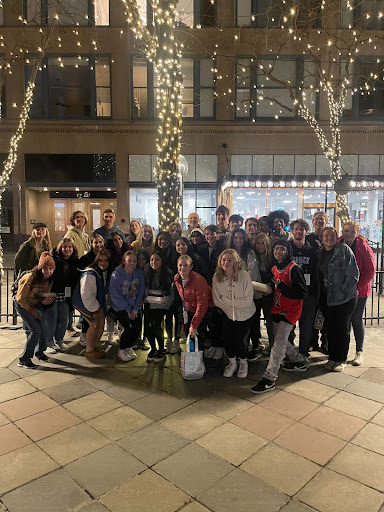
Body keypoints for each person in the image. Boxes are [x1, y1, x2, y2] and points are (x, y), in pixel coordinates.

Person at [251, 240, 308, 393]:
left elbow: (302, 293)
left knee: (277, 345)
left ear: (287, 251)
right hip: (277, 308)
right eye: (276, 249)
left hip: (290, 311)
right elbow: (273, 287)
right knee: (280, 340)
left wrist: (281, 287)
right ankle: (298, 360)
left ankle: (269, 378)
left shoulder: (294, 269)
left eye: (282, 249)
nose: (278, 252)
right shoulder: (275, 268)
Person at [317, 227, 359, 372]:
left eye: (332, 235)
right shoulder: (320, 253)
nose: (329, 238)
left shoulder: (344, 250)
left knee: (341, 329)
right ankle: (332, 357)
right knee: (330, 329)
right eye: (326, 236)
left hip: (344, 298)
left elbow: (353, 274)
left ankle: (341, 359)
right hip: (327, 298)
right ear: (322, 238)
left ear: (337, 236)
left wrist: (343, 291)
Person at [212, 249, 256, 379]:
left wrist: (227, 301)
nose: (226, 262)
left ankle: (243, 362)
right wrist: (232, 303)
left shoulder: (244, 275)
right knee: (228, 339)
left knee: (241, 341)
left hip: (245, 314)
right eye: (223, 260)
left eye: (230, 260)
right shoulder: (216, 277)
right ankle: (232, 362)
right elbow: (216, 301)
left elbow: (247, 301)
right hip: (227, 314)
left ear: (235, 261)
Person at [339, 222, 375, 366]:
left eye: (352, 231)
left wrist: (356, 287)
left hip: (359, 291)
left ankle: (359, 351)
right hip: (342, 291)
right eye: (346, 231)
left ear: (357, 232)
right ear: (342, 231)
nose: (349, 234)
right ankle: (343, 351)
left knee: (356, 319)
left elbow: (370, 271)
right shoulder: (338, 244)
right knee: (344, 321)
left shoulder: (364, 249)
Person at [14, 252, 56, 369]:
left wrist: (45, 301)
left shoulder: (48, 280)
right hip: (23, 305)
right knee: (35, 331)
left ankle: (40, 352)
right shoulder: (29, 278)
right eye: (45, 268)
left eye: (51, 268)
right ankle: (24, 359)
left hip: (35, 304)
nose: (48, 271)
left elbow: (40, 295)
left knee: (44, 329)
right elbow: (20, 298)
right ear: (40, 267)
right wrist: (33, 311)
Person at [287, 219, 318, 363]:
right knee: (289, 325)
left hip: (308, 294)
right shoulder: (287, 249)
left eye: (302, 229)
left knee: (306, 325)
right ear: (292, 231)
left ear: (306, 231)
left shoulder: (312, 251)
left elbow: (316, 272)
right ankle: (290, 352)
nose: (299, 232)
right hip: (291, 293)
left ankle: (304, 352)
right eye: (296, 229)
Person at [72, 249, 111, 359]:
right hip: (85, 303)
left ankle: (95, 346)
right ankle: (89, 349)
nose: (103, 263)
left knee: (101, 321)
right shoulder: (90, 273)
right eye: (100, 260)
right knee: (93, 324)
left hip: (95, 302)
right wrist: (95, 309)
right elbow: (86, 294)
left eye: (106, 261)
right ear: (96, 261)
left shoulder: (102, 272)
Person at [109, 250, 145, 362]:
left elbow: (141, 291)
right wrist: (128, 309)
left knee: (138, 327)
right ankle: (122, 348)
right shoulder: (116, 275)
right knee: (129, 327)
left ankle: (129, 346)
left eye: (134, 261)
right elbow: (115, 295)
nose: (132, 263)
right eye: (129, 261)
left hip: (134, 306)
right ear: (124, 261)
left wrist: (135, 308)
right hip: (121, 307)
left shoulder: (139, 273)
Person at [45, 238, 79, 354]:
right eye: (65, 247)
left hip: (66, 295)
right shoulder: (53, 259)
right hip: (53, 293)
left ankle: (59, 339)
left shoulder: (74, 261)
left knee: (64, 319)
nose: (67, 249)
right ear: (60, 248)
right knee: (51, 319)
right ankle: (49, 342)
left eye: (70, 247)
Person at [174, 255, 214, 343]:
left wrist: (194, 325)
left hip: (206, 309)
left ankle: (199, 354)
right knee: (190, 335)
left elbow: (202, 305)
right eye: (180, 265)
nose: (182, 268)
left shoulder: (199, 281)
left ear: (191, 266)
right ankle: (191, 355)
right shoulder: (177, 279)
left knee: (198, 334)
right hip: (191, 309)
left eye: (186, 265)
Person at [143, 253, 174, 362]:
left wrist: (167, 305)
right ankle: (153, 348)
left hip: (162, 305)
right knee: (148, 327)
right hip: (149, 303)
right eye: (151, 259)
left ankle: (161, 349)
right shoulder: (147, 271)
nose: (154, 262)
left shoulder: (168, 273)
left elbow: (172, 292)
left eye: (157, 259)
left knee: (156, 326)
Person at [254, 232, 274, 353]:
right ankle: (256, 345)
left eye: (263, 243)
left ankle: (272, 344)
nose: (260, 246)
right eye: (258, 243)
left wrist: (269, 287)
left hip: (269, 293)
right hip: (255, 293)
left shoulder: (272, 258)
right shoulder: (253, 255)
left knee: (269, 320)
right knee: (255, 320)